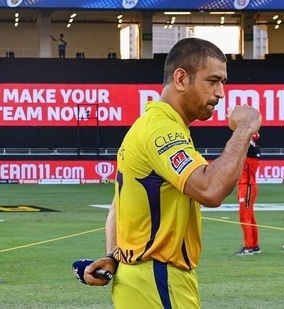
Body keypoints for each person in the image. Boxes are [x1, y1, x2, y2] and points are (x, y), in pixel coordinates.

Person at [83, 38, 261, 309]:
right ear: (181, 78)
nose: (221, 93)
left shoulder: (151, 125)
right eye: (212, 81)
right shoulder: (161, 130)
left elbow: (118, 205)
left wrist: (113, 255)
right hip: (158, 278)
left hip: (144, 279)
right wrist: (245, 129)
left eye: (222, 82)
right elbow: (211, 190)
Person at [234, 132, 261, 255]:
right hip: (248, 185)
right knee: (249, 217)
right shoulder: (255, 149)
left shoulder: (249, 148)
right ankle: (254, 245)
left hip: (247, 186)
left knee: (244, 217)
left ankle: (248, 246)